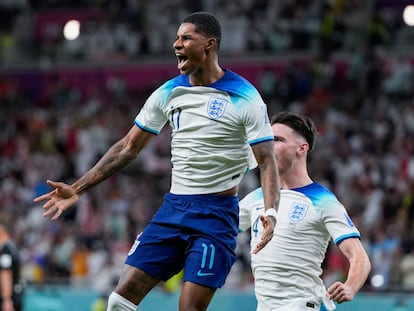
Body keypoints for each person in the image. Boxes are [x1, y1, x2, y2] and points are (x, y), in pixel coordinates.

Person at [34, 12, 280, 311]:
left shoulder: (245, 97)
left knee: (189, 309)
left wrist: (271, 211)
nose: (176, 44)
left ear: (209, 44)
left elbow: (267, 161)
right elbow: (127, 147)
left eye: (186, 38)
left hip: (216, 217)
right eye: (176, 37)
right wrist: (78, 188)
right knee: (118, 302)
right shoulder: (168, 92)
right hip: (173, 209)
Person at [239, 111, 371, 311]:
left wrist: (350, 286)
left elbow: (359, 256)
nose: (268, 146)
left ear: (302, 148)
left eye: (278, 140)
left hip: (299, 305)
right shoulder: (257, 198)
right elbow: (219, 228)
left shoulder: (323, 201)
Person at [0, 221, 24, 311]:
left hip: (10, 295)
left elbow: (6, 273)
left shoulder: (5, 250)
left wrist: (6, 299)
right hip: (16, 291)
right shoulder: (12, 246)